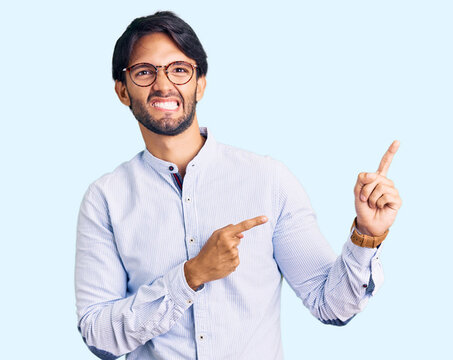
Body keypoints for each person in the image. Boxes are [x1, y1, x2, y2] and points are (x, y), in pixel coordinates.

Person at [74, 11, 401, 360]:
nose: (163, 85)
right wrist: (190, 276)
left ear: (200, 82)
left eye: (179, 69)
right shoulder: (105, 199)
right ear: (122, 91)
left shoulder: (268, 181)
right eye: (144, 72)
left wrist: (366, 235)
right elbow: (99, 337)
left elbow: (330, 305)